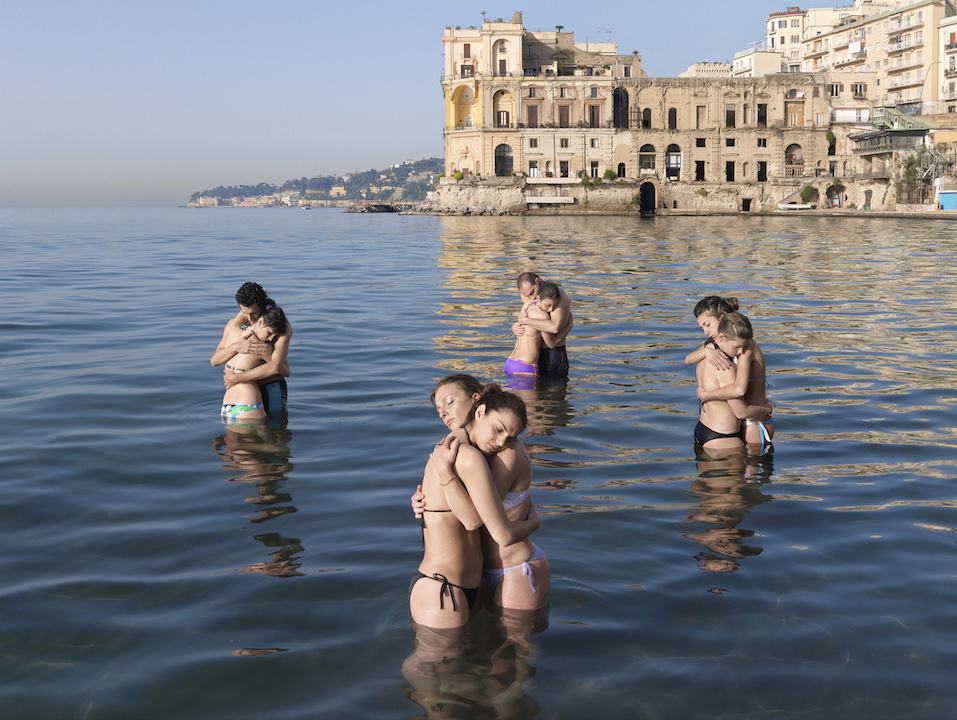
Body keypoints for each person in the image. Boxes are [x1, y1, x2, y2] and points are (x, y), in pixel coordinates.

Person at [411, 384, 544, 629]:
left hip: (479, 579)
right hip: (444, 586)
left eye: (450, 402)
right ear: (480, 411)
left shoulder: (472, 453)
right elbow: (474, 521)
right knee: (435, 666)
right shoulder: (459, 455)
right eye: (440, 407)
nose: (502, 441)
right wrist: (534, 523)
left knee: (491, 659)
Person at [684, 296, 773, 448]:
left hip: (753, 420)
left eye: (707, 325)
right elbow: (688, 359)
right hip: (735, 422)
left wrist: (707, 396)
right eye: (702, 328)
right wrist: (707, 351)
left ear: (723, 317)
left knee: (756, 468)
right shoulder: (716, 346)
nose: (705, 332)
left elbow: (739, 389)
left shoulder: (745, 347)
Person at [211, 282, 292, 415]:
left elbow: (279, 368)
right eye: (244, 312)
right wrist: (237, 346)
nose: (248, 318)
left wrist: (237, 378)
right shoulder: (241, 321)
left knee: (275, 431)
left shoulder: (280, 328)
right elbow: (214, 360)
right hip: (246, 391)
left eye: (253, 313)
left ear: (262, 307)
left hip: (271, 387)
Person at [512, 272, 573, 378]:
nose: (532, 298)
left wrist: (525, 320)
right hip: (535, 354)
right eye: (527, 295)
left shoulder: (557, 297)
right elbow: (524, 316)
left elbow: (554, 327)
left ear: (538, 281)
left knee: (554, 392)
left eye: (532, 292)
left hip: (554, 353)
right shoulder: (529, 296)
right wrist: (516, 326)